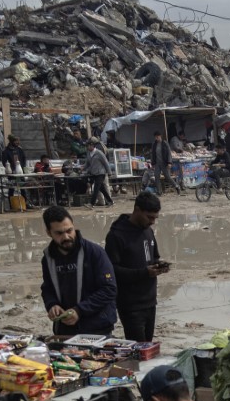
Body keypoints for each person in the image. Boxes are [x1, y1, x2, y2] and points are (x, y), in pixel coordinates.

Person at [40, 205, 117, 336]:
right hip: (65, 331)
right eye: (59, 233)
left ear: (73, 226)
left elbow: (109, 289)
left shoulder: (94, 252)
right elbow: (47, 288)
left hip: (97, 329)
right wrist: (52, 305)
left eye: (69, 230)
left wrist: (79, 310)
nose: (66, 237)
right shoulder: (48, 258)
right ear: (49, 232)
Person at [105, 192, 167, 342]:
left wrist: (159, 266)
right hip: (130, 304)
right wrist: (144, 273)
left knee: (148, 347)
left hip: (150, 300)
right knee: (138, 350)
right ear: (137, 210)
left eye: (155, 218)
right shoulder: (117, 235)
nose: (152, 221)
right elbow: (111, 270)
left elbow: (154, 257)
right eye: (149, 217)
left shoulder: (148, 231)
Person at [86, 138, 113, 207]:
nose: (88, 147)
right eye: (87, 146)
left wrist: (109, 172)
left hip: (101, 173)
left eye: (89, 145)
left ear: (93, 146)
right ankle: (110, 201)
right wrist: (83, 168)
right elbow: (88, 163)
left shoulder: (99, 153)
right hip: (94, 173)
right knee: (102, 189)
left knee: (96, 188)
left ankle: (91, 203)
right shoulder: (89, 153)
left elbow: (105, 162)